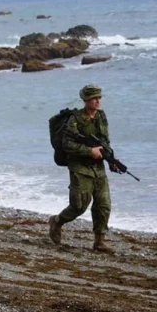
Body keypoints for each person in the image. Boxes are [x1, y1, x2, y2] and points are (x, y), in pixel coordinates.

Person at [49, 84, 119, 253]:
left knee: (103, 205)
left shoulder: (101, 116)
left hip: (98, 168)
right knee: (79, 206)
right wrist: (89, 151)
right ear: (86, 100)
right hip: (80, 169)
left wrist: (111, 158)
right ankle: (57, 221)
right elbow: (67, 144)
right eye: (94, 98)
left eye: (99, 98)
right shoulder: (75, 119)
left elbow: (105, 141)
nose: (97, 101)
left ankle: (99, 241)